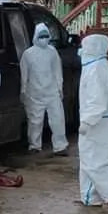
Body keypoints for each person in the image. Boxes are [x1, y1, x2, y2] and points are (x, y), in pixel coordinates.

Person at [77, 33, 108, 208]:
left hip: (100, 121)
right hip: (101, 119)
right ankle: (90, 197)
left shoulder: (97, 68)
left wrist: (88, 121)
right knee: (87, 159)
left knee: (94, 160)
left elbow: (97, 99)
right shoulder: (95, 66)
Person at [20, 24, 68, 156]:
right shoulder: (28, 54)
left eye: (46, 36)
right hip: (34, 93)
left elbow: (57, 71)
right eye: (42, 36)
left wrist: (60, 87)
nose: (44, 39)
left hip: (52, 92)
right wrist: (23, 90)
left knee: (57, 119)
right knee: (35, 121)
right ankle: (34, 145)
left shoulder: (52, 52)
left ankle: (60, 146)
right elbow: (25, 74)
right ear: (36, 37)